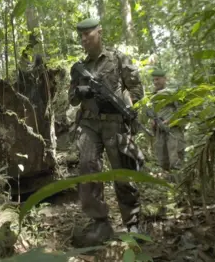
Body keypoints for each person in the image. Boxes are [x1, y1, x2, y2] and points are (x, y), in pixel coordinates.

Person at [68, 18, 146, 247]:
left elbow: (137, 89)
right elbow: (72, 100)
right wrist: (81, 92)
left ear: (99, 32)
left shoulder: (118, 58)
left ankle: (132, 222)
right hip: (90, 125)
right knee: (87, 167)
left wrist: (126, 106)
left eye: (88, 34)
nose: (84, 39)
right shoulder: (79, 68)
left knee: (122, 170)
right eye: (81, 36)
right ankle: (100, 223)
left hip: (115, 123)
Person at [150, 69, 186, 172]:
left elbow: (183, 111)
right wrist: (153, 122)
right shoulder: (154, 96)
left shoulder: (172, 92)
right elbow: (155, 113)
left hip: (173, 131)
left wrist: (171, 120)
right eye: (154, 80)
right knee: (163, 162)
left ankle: (182, 185)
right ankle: (170, 185)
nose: (155, 82)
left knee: (176, 161)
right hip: (160, 133)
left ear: (165, 79)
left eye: (158, 79)